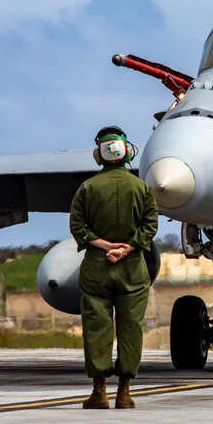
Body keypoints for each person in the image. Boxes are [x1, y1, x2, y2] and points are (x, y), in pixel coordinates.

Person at [69, 125, 159, 409]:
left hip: (97, 267)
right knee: (131, 329)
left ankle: (99, 392)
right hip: (133, 268)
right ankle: (124, 392)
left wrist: (106, 247)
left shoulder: (88, 188)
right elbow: (151, 225)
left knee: (97, 328)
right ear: (127, 151)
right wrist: (127, 248)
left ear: (100, 154)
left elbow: (77, 226)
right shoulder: (142, 187)